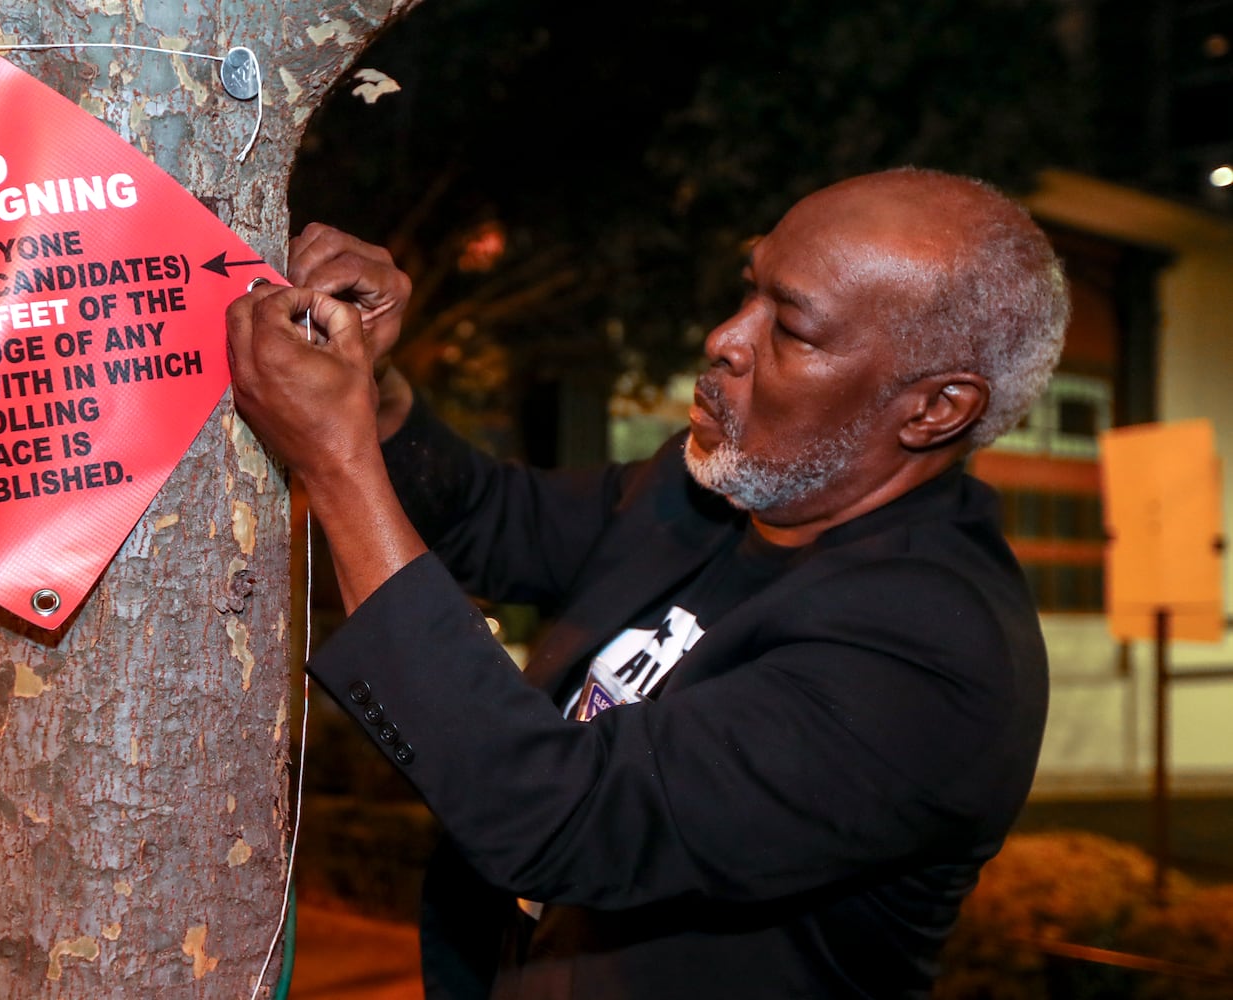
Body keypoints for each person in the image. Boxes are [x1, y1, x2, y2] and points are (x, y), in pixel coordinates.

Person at [225, 167, 1068, 999]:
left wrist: (334, 460)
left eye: (793, 332)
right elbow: (489, 517)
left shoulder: (929, 654)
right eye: (749, 292)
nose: (725, 338)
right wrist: (365, 390)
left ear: (934, 409)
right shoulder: (721, 488)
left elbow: (556, 814)